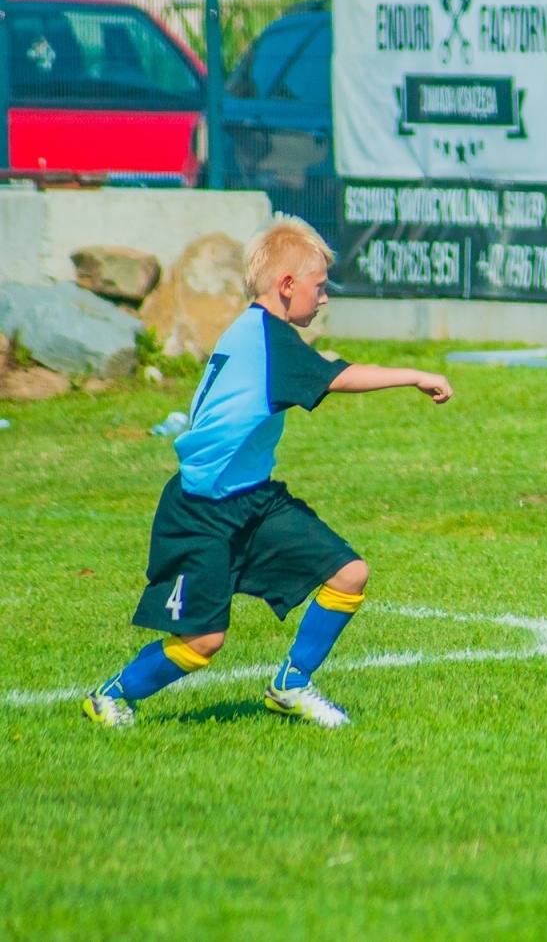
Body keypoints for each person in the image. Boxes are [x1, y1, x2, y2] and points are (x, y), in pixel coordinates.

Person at [82, 217, 453, 729]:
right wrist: (416, 374)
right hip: (200, 513)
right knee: (203, 643)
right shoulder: (268, 340)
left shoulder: (255, 330)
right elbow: (338, 377)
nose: (323, 299)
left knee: (350, 573)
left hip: (255, 500)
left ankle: (291, 684)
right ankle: (110, 695)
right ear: (286, 286)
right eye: (319, 288)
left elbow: (314, 366)